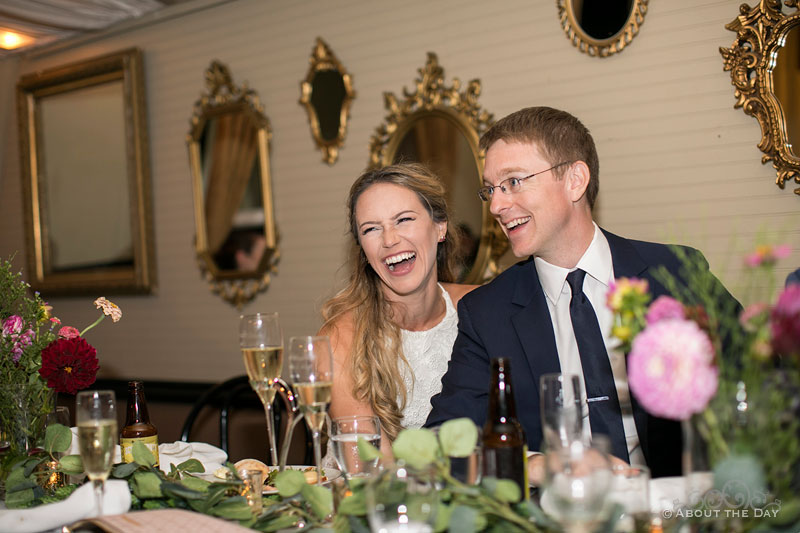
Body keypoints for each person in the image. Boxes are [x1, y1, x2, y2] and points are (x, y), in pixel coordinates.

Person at [425, 106, 737, 481]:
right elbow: (440, 443)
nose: (496, 206)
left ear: (575, 180)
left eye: (513, 182)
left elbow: (764, 382)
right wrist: (539, 466)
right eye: (490, 189)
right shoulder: (487, 314)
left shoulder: (674, 274)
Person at [320, 163, 477, 457]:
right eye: (371, 229)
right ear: (363, 250)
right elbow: (370, 467)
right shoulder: (341, 336)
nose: (389, 239)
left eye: (403, 220)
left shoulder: (479, 310)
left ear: (439, 227)